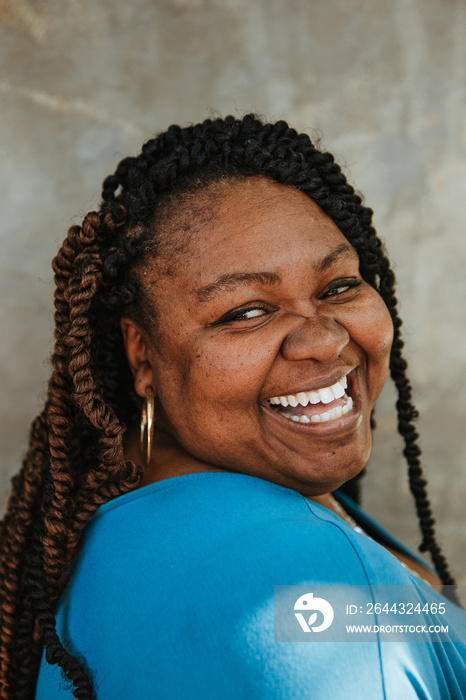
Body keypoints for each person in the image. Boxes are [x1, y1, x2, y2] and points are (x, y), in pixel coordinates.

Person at [0, 114, 465, 699]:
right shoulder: (297, 574)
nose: (324, 338)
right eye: (246, 312)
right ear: (141, 356)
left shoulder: (125, 516)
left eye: (339, 286)